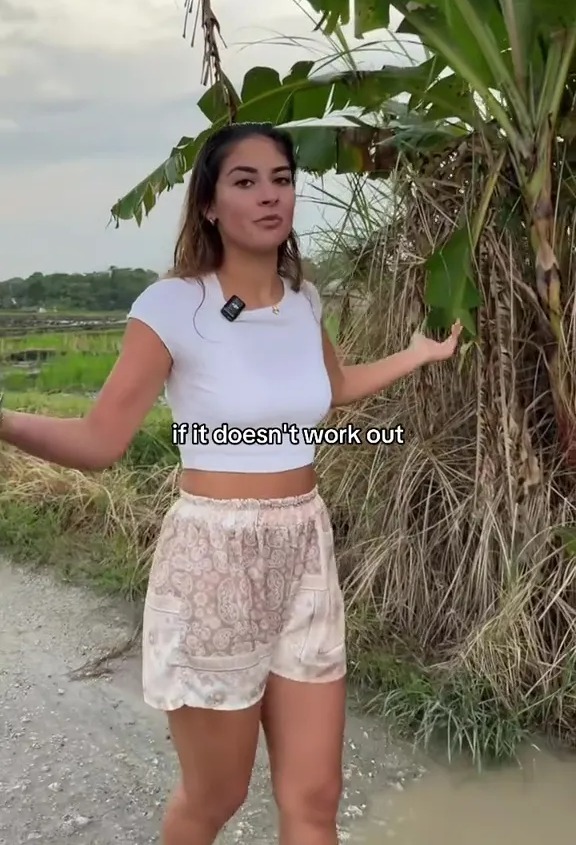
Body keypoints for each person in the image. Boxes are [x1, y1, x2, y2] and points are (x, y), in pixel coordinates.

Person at [0, 122, 461, 845]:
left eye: (281, 178)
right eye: (245, 181)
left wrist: (416, 355)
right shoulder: (171, 306)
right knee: (216, 795)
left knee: (314, 797)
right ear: (209, 205)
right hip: (214, 556)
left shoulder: (303, 301)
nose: (270, 194)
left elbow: (333, 388)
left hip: (305, 548)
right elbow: (98, 442)